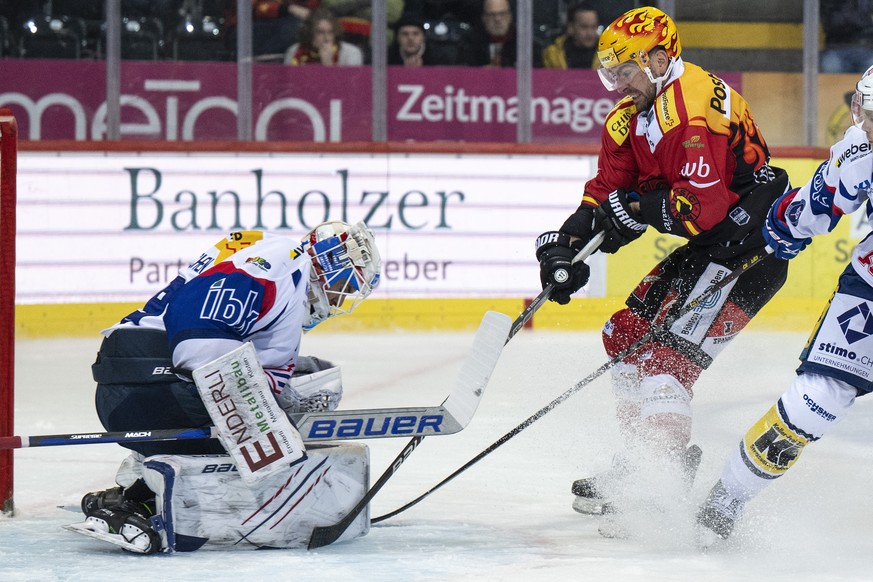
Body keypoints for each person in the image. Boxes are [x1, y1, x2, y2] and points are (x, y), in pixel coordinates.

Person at [534, 6, 791, 531]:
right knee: (623, 332)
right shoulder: (633, 115)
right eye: (612, 73)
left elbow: (703, 210)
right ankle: (643, 465)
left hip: (746, 252)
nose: (618, 84)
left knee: (666, 362)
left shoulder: (689, 112)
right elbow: (606, 192)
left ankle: (662, 483)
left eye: (625, 70)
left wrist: (637, 211)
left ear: (658, 57)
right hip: (714, 247)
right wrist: (566, 243)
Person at [75, 221, 381, 553]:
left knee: (281, 433)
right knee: (278, 449)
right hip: (151, 389)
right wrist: (269, 417)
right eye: (347, 285)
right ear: (331, 264)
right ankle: (149, 502)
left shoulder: (282, 271)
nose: (343, 296)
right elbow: (198, 338)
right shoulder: (280, 263)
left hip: (143, 386)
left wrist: (276, 397)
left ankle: (139, 492)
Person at [696, 66, 873, 546]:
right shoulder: (861, 149)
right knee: (817, 398)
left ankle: (727, 499)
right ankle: (727, 499)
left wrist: (785, 227)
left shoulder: (862, 148)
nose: (865, 124)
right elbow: (819, 204)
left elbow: (820, 205)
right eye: (868, 113)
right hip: (871, 287)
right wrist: (783, 227)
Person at [457, 0, 542, 68]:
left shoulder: (526, 45)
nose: (497, 19)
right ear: (484, 18)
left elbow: (537, 77)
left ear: (510, 17)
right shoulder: (469, 43)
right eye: (492, 15)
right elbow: (462, 74)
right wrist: (481, 74)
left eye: (502, 14)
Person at [284, 7, 364, 66]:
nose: (327, 38)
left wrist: (328, 64)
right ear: (310, 34)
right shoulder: (294, 51)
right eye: (320, 32)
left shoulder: (351, 53)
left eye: (330, 32)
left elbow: (351, 87)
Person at [542, 1, 600, 69]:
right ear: (571, 28)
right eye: (584, 27)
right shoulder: (552, 54)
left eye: (594, 27)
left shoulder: (610, 55)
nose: (590, 33)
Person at [819, 0, 873, 74]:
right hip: (837, 47)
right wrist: (864, 21)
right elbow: (834, 24)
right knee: (832, 67)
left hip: (867, 47)